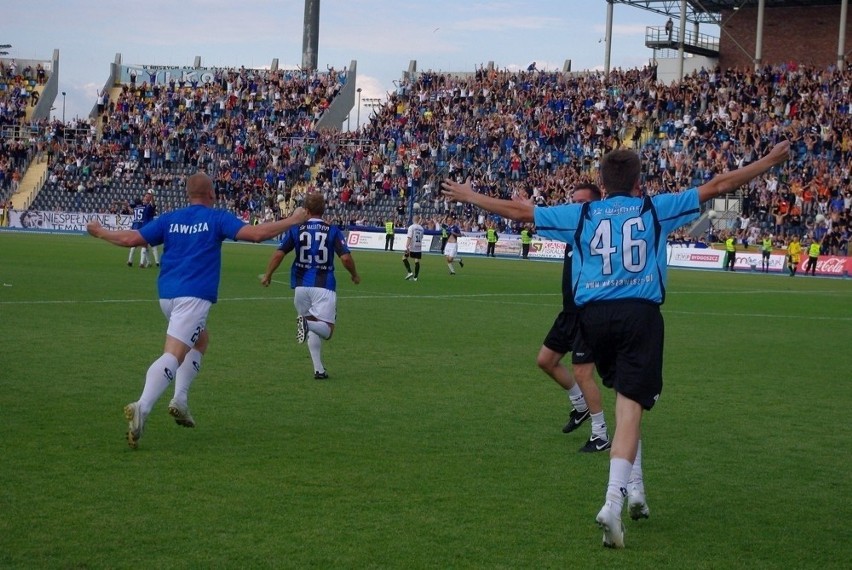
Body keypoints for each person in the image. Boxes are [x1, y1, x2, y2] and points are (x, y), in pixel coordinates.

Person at [442, 140, 790, 549]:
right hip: (639, 315)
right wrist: (767, 161)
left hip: (593, 319)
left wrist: (470, 195)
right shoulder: (654, 207)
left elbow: (521, 212)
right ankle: (613, 501)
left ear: (602, 183)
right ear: (639, 181)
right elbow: (718, 185)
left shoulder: (585, 212)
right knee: (630, 410)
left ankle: (632, 492)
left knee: (625, 405)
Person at [86, 172, 307, 449]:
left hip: (167, 295)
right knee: (174, 354)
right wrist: (294, 219)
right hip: (194, 296)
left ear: (188, 194)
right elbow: (257, 234)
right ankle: (142, 406)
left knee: (200, 340)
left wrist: (100, 232)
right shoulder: (217, 218)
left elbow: (132, 239)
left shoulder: (170, 218)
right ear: (212, 194)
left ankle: (180, 399)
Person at [537, 184, 610, 452]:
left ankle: (600, 434)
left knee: (582, 373)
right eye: (573, 201)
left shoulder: (596, 235)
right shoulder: (572, 232)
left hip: (587, 316)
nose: (574, 207)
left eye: (581, 202)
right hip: (568, 313)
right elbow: (541, 221)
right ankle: (580, 406)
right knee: (546, 361)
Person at [261, 193, 360, 380]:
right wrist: (354, 274)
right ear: (323, 210)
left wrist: (268, 275)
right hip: (324, 285)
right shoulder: (332, 230)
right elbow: (345, 258)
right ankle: (306, 324)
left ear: (306, 210)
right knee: (327, 330)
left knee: (314, 324)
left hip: (300, 287)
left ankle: (318, 369)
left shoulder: (296, 229)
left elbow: (279, 254)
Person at [127, 191, 158, 268]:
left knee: (140, 244)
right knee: (147, 245)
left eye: (147, 196)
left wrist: (152, 197)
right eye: (145, 196)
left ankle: (134, 261)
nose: (145, 198)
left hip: (143, 227)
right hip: (143, 227)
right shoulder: (145, 206)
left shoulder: (143, 206)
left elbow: (153, 204)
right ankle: (145, 262)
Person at [403, 214, 425, 281]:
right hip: (418, 246)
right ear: (418, 220)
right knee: (416, 260)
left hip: (412, 246)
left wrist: (406, 246)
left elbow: (409, 237)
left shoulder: (411, 227)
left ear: (413, 219)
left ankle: (409, 272)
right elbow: (421, 237)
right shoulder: (421, 228)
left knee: (404, 258)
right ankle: (415, 277)